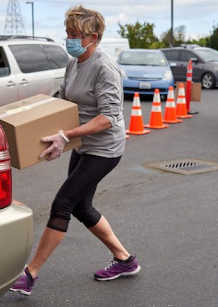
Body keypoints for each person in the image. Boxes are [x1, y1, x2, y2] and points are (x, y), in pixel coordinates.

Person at [10, 5, 140, 296]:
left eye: (73, 34)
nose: (67, 39)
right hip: (83, 144)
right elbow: (63, 101)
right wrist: (32, 117)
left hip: (105, 148)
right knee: (81, 207)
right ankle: (124, 260)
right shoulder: (75, 63)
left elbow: (108, 118)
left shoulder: (105, 69)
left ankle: (30, 274)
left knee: (63, 204)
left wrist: (65, 135)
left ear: (91, 37)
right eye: (67, 33)